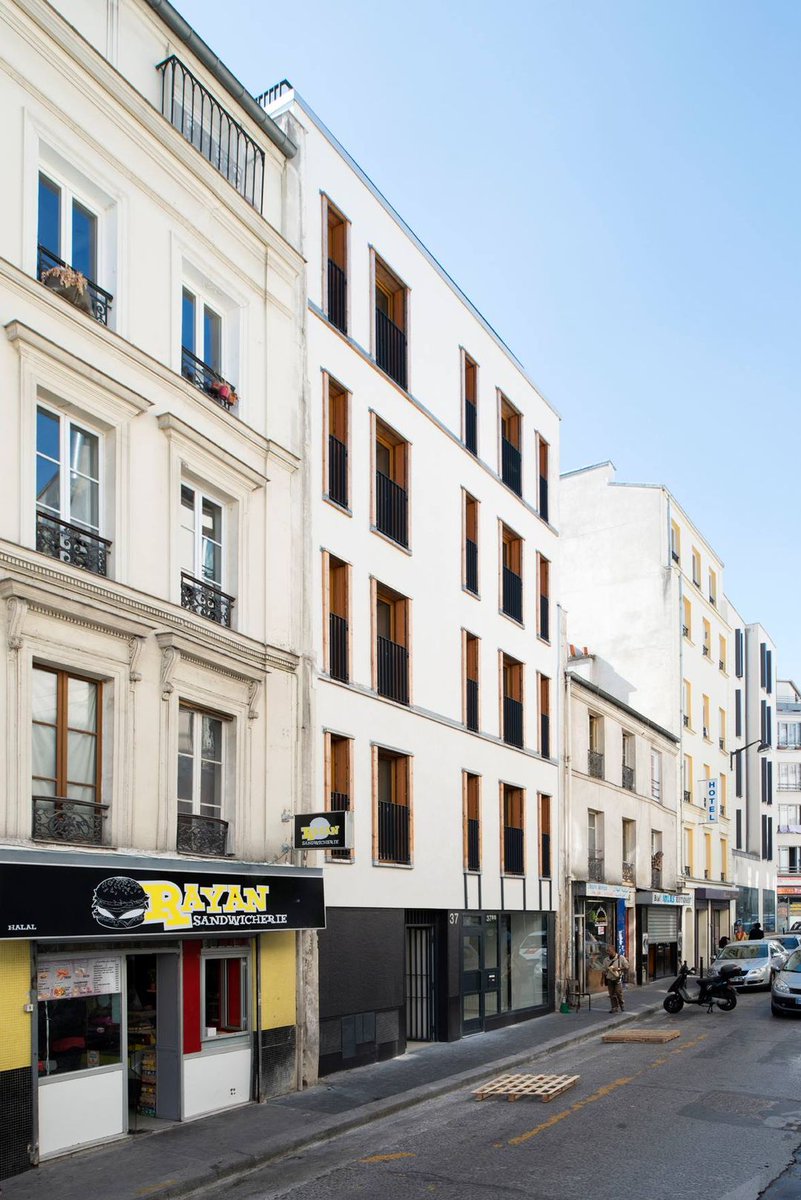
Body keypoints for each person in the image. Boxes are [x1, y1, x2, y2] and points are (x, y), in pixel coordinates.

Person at [603, 944, 629, 1014]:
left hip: (617, 979)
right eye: (607, 951)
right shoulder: (606, 960)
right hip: (609, 979)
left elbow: (627, 966)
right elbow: (604, 970)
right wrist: (603, 976)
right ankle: (614, 1007)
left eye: (609, 951)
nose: (607, 952)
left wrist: (619, 968)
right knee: (611, 994)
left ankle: (621, 1004)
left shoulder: (620, 958)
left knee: (618, 993)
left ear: (613, 950)